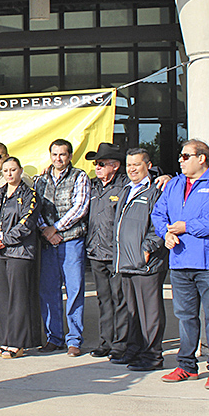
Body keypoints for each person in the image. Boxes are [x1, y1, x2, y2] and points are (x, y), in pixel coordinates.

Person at [152, 139, 209, 389]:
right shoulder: (175, 184)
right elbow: (159, 213)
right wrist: (165, 233)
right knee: (186, 317)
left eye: (185, 155)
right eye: (181, 156)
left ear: (202, 158)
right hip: (180, 262)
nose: (181, 159)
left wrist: (187, 227)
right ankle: (187, 366)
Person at [33, 138, 90, 356]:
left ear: (70, 156)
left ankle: (74, 339)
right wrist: (46, 231)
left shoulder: (80, 177)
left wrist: (55, 228)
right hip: (48, 243)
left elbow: (80, 207)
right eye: (55, 154)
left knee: (74, 291)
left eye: (63, 154)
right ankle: (53, 337)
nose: (58, 158)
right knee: (48, 292)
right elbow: (34, 207)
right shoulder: (41, 180)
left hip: (72, 241)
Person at [114, 148, 168, 372]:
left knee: (150, 313)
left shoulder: (157, 189)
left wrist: (148, 248)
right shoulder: (126, 189)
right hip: (127, 262)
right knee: (133, 313)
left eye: (137, 164)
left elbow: (161, 223)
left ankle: (152, 355)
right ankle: (135, 350)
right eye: (129, 165)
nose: (132, 169)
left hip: (147, 263)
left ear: (148, 165)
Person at [0, 157, 39, 359]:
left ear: (20, 170)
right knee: (2, 298)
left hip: (19, 252)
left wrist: (4, 239)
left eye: (13, 170)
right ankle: (4, 339)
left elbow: (27, 222)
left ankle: (17, 342)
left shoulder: (29, 194)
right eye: (6, 170)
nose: (9, 174)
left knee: (18, 298)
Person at [83, 142, 130, 359]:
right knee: (103, 299)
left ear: (115, 165)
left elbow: (152, 175)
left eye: (101, 164)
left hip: (117, 253)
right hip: (96, 252)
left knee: (120, 299)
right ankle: (106, 341)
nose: (97, 167)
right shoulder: (91, 186)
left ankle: (121, 344)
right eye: (96, 164)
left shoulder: (126, 186)